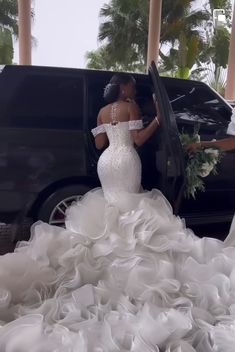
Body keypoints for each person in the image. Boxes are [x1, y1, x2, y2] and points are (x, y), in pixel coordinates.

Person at [0, 73, 235, 351]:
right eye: (132, 86)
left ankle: (106, 250)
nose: (133, 90)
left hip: (107, 161)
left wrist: (113, 132)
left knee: (112, 203)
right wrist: (159, 119)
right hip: (125, 160)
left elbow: (99, 145)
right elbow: (137, 140)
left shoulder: (102, 111)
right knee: (130, 206)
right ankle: (128, 255)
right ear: (124, 88)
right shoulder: (131, 105)